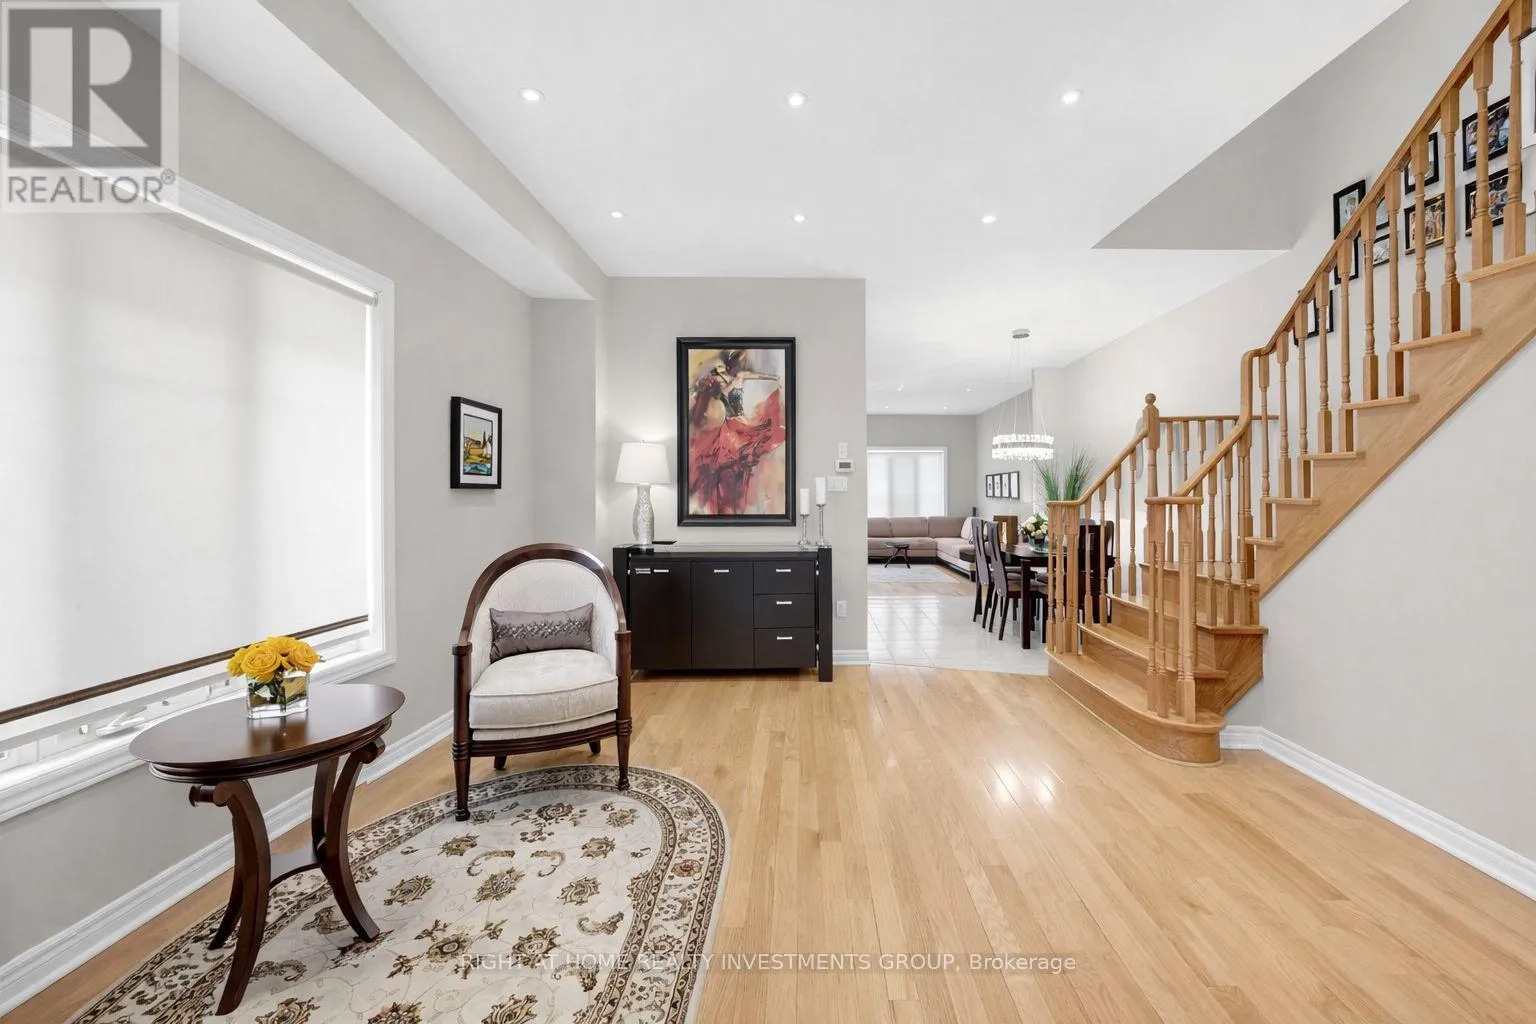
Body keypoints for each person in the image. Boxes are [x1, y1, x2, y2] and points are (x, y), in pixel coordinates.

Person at [686, 356, 786, 516]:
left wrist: (774, 378)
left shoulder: (738, 378)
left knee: (757, 440)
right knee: (732, 453)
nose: (720, 374)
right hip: (730, 425)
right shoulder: (717, 383)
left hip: (741, 421)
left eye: (722, 369)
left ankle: (744, 488)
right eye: (717, 371)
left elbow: (756, 375)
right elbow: (702, 389)